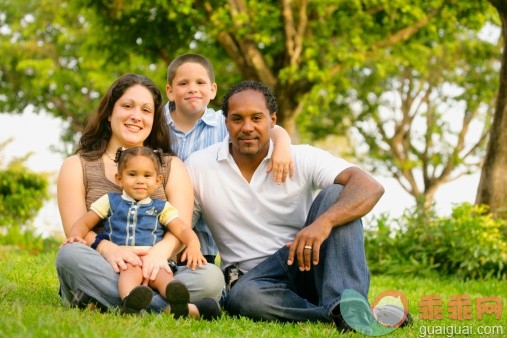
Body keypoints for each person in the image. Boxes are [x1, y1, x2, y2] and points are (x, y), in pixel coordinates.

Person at [184, 80, 406, 334]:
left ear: (272, 119)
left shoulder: (301, 157)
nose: (247, 127)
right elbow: (181, 222)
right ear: (226, 122)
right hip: (256, 279)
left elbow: (370, 186)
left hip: (306, 259)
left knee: (337, 193)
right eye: (237, 119)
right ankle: (343, 314)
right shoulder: (200, 165)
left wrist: (324, 223)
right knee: (243, 298)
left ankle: (349, 305)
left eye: (257, 118)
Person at [56, 73, 224, 319]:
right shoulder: (77, 165)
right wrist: (110, 249)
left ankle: (113, 302)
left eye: (146, 110)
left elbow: (180, 229)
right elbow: (76, 231)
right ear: (109, 113)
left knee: (211, 277)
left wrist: (159, 254)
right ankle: (172, 309)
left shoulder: (171, 166)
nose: (136, 116)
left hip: (161, 270)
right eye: (127, 106)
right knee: (69, 256)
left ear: (154, 120)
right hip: (106, 267)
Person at [164, 53, 294, 264]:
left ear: (213, 90)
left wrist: (283, 144)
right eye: (183, 83)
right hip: (160, 228)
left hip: (203, 238)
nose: (193, 88)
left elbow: (268, 127)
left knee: (199, 281)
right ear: (169, 91)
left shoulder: (224, 123)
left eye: (200, 82)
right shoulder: (155, 123)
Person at [61, 146, 216, 317]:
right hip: (125, 262)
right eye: (132, 174)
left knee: (167, 277)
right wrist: (75, 235)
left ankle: (175, 298)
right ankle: (134, 301)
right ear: (119, 179)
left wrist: (193, 244)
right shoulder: (110, 201)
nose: (140, 180)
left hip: (154, 262)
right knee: (127, 273)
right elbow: (83, 223)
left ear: (158, 181)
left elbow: (182, 229)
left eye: (147, 175)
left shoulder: (161, 208)